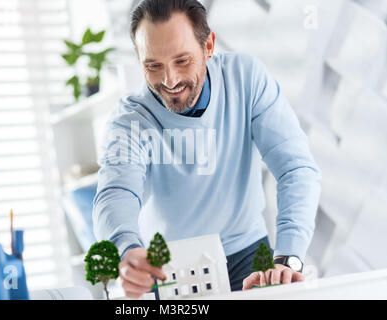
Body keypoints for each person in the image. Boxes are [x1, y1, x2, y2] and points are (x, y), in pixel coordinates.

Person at [92, 0, 321, 299]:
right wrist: (126, 248)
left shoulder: (246, 79)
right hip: (168, 269)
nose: (169, 80)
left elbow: (296, 168)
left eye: (182, 60)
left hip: (249, 254)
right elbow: (115, 193)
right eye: (153, 66)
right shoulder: (130, 120)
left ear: (208, 45)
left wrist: (287, 257)